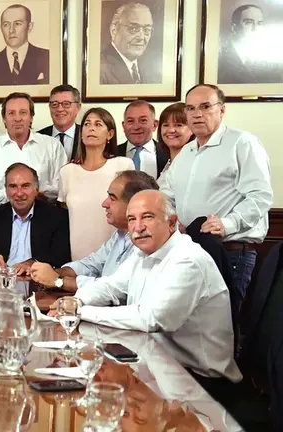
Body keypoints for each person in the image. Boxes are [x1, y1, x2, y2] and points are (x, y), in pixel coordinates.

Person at [51, 190, 242, 408]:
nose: (138, 227)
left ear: (171, 222)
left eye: (147, 217)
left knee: (103, 402)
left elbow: (152, 318)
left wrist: (80, 312)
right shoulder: (143, 252)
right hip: (156, 367)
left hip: (200, 382)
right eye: (132, 219)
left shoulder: (188, 259)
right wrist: (77, 301)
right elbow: (111, 286)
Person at [159, 84, 273, 313]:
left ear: (221, 110)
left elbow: (260, 195)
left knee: (222, 322)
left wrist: (227, 223)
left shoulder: (242, 143)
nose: (197, 114)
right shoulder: (186, 152)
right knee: (191, 324)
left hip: (231, 251)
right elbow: (165, 195)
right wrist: (169, 219)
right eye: (191, 108)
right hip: (189, 250)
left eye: (205, 107)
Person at [30, 170, 159, 292]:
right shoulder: (120, 234)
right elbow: (91, 264)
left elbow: (112, 288)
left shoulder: (146, 242)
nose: (104, 204)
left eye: (112, 198)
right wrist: (50, 273)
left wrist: (59, 281)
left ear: (134, 204)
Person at [60, 108, 134, 260]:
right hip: (77, 257)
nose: (91, 128)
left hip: (116, 255)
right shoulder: (67, 171)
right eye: (87, 124)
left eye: (98, 124)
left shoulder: (122, 165)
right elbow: (64, 211)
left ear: (110, 134)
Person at [0, 92, 67, 206]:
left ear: (31, 117)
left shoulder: (52, 145)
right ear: (4, 119)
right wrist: (16, 194)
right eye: (11, 113)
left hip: (44, 211)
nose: (17, 118)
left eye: (23, 112)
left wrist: (38, 192)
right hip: (2, 213)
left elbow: (63, 186)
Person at [0, 163, 70, 273]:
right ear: (6, 191)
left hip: (37, 279)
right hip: (2, 278)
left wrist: (32, 263)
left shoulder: (57, 217)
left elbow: (61, 257)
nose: (19, 193)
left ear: (36, 189)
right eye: (13, 186)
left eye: (25, 186)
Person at [218, 5, 283, 84]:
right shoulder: (220, 58)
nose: (255, 29)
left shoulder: (270, 58)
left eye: (259, 23)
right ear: (234, 28)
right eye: (249, 23)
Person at [0, 4, 50, 86]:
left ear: (29, 27)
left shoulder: (46, 57)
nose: (11, 30)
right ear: (1, 28)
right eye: (6, 25)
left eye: (17, 24)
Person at [100, 2, 159, 85]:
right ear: (114, 30)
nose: (141, 37)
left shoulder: (151, 69)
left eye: (147, 30)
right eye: (133, 29)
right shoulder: (100, 69)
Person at [118, 100, 169, 179]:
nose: (136, 127)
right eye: (130, 121)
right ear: (123, 126)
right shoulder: (111, 154)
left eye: (143, 120)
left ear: (154, 125)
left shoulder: (168, 154)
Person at [37, 85, 82, 160]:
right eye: (54, 104)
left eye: (66, 104)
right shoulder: (38, 138)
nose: (60, 109)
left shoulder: (87, 135)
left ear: (78, 107)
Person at [155, 102, 193, 176]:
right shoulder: (168, 162)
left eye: (178, 125)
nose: (171, 130)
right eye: (166, 125)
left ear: (192, 128)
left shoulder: (193, 164)